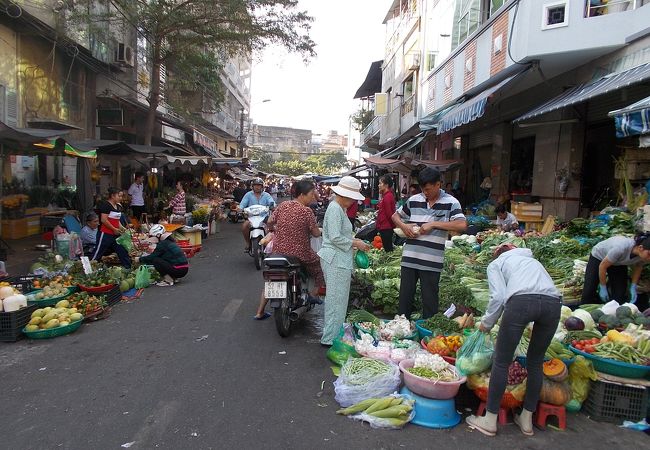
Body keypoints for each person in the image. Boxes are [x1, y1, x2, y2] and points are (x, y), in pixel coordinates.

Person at [466, 244, 561, 437]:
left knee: (502, 361)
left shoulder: (496, 264)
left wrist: (487, 323)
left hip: (521, 303)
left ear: (498, 254)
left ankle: (490, 420)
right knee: (536, 362)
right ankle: (526, 420)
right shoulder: (532, 261)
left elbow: (498, 297)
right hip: (553, 304)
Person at [392, 167, 467, 319]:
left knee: (430, 301)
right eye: (422, 189)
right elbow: (395, 216)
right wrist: (404, 226)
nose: (425, 193)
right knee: (405, 299)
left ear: (438, 184)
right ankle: (401, 329)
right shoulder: (413, 200)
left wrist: (434, 224)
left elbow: (461, 225)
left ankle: (427, 336)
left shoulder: (451, 202)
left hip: (432, 261)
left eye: (428, 189)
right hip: (409, 259)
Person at [254, 180, 324, 320]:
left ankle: (259, 312)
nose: (313, 196)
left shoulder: (283, 205)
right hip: (300, 252)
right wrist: (321, 232)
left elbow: (269, 222)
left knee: (270, 282)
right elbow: (315, 233)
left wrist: (273, 230)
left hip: (278, 251)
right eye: (311, 194)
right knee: (319, 266)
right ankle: (313, 295)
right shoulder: (307, 211)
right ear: (302, 194)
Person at [318, 176, 371, 346]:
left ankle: (334, 336)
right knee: (335, 300)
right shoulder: (335, 209)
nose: (354, 201)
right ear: (346, 196)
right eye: (353, 198)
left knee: (338, 300)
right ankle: (330, 339)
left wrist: (353, 243)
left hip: (338, 259)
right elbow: (334, 237)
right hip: (335, 260)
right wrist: (356, 243)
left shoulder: (339, 208)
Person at [580, 234, 650, 305]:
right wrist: (603, 287)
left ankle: (612, 311)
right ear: (641, 248)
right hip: (599, 257)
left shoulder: (644, 256)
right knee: (589, 290)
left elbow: (638, 267)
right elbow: (603, 266)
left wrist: (633, 286)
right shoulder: (620, 248)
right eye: (649, 254)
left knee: (619, 293)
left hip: (618, 263)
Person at [92, 188, 131, 268]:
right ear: (113, 196)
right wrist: (114, 229)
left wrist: (123, 228)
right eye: (119, 196)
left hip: (116, 234)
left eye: (121, 196)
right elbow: (104, 220)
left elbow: (117, 220)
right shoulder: (105, 205)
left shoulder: (118, 206)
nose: (121, 198)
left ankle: (128, 268)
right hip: (105, 234)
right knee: (98, 252)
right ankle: (89, 268)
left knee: (123, 251)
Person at [240, 178, 276, 252]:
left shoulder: (266, 195)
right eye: (255, 185)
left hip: (264, 217)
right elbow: (242, 205)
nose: (257, 187)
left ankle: (270, 244)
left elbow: (272, 203)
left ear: (262, 187)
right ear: (252, 186)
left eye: (259, 185)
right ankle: (248, 243)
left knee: (272, 226)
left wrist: (273, 207)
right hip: (251, 217)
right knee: (244, 226)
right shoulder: (248, 195)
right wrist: (240, 209)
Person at [376, 174, 397, 252]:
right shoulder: (386, 196)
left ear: (386, 185)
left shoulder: (388, 196)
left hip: (386, 227)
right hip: (385, 226)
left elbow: (389, 214)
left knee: (388, 248)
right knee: (387, 247)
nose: (379, 185)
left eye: (380, 183)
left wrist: (394, 225)